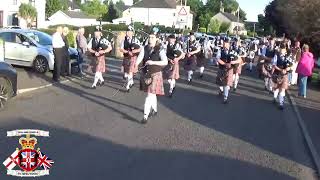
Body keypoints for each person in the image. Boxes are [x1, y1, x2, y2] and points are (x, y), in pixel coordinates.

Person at [136, 27, 168, 124]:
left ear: (157, 38)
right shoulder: (144, 48)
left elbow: (165, 62)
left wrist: (153, 62)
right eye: (149, 37)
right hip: (146, 74)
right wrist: (135, 65)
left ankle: (145, 116)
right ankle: (154, 109)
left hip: (156, 74)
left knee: (149, 95)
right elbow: (140, 58)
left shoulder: (160, 49)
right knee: (152, 93)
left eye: (153, 37)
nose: (150, 39)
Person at [216, 39, 242, 104]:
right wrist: (225, 64)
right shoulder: (220, 50)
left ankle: (225, 98)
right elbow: (218, 59)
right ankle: (221, 90)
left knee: (226, 83)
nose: (225, 46)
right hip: (221, 68)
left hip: (229, 70)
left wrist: (233, 62)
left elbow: (239, 60)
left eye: (226, 44)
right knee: (220, 82)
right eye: (224, 44)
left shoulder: (233, 51)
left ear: (229, 44)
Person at [119, 26, 141, 92]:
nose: (128, 33)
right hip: (126, 57)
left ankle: (128, 86)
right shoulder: (124, 40)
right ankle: (131, 82)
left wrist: (134, 51)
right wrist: (127, 52)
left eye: (130, 32)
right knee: (126, 72)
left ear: (132, 33)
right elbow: (121, 49)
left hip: (133, 57)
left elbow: (140, 49)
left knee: (130, 71)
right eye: (127, 31)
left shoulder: (136, 40)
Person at [271, 43, 292, 110]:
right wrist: (280, 70)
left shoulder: (288, 56)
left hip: (285, 75)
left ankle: (281, 103)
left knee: (282, 89)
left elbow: (291, 65)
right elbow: (274, 65)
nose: (282, 50)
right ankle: (274, 97)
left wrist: (286, 69)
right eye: (281, 49)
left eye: (283, 49)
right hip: (277, 74)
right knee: (276, 88)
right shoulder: (276, 56)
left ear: (285, 50)